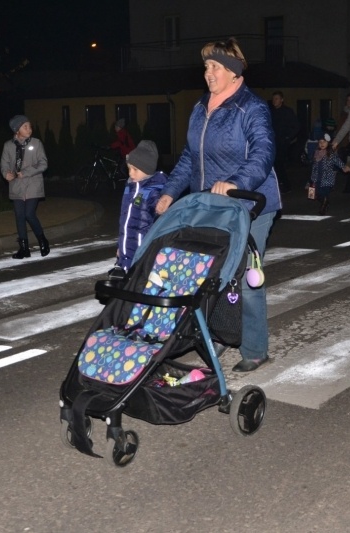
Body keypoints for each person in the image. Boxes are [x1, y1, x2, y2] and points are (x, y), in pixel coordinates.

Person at [154, 38, 281, 373]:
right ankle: (224, 333)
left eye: (214, 66)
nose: (207, 73)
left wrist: (237, 182)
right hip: (212, 206)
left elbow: (263, 152)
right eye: (206, 66)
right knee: (211, 275)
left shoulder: (251, 108)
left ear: (233, 72)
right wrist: (169, 192)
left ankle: (255, 349)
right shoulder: (201, 108)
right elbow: (188, 158)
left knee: (243, 276)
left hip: (252, 204)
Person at [109, 140, 167, 279]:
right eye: (129, 168)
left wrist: (161, 206)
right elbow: (125, 223)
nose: (131, 173)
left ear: (147, 170)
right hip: (126, 251)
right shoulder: (129, 188)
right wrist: (121, 247)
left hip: (143, 251)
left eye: (135, 169)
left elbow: (160, 217)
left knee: (139, 282)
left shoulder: (154, 190)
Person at [0, 115, 50, 259]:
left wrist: (26, 172)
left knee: (29, 214)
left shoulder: (36, 143)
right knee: (19, 216)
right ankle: (24, 248)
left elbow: (43, 164)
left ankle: (42, 240)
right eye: (25, 127)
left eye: (30, 126)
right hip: (16, 186)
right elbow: (4, 164)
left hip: (33, 184)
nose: (29, 129)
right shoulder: (8, 145)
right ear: (17, 130)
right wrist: (6, 173)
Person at [308, 132, 350, 215]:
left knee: (324, 192)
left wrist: (344, 167)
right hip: (317, 178)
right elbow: (314, 167)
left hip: (327, 178)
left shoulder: (330, 154)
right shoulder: (316, 153)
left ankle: (323, 207)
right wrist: (311, 178)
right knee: (317, 194)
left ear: (328, 143)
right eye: (320, 142)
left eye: (324, 142)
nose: (322, 144)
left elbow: (337, 161)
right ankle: (325, 202)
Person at [270, 90, 299, 193]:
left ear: (282, 100)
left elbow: (296, 127)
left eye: (277, 98)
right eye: (273, 99)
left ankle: (286, 185)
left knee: (280, 164)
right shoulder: (271, 112)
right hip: (273, 143)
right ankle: (278, 184)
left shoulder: (287, 111)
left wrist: (288, 138)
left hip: (282, 143)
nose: (274, 101)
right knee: (273, 165)